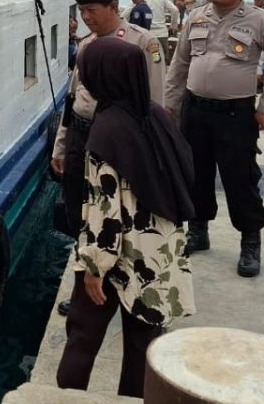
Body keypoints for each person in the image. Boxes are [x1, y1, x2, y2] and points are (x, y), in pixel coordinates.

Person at [55, 38, 196, 398]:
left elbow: (105, 212)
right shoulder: (157, 119)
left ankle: (67, 398)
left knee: (83, 337)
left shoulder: (106, 130)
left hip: (116, 253)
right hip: (158, 253)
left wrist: (94, 268)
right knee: (142, 345)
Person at [164, 0, 264, 277]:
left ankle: (250, 243)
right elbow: (179, 63)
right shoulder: (196, 16)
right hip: (195, 110)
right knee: (195, 173)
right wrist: (169, 103)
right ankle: (198, 231)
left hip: (235, 114)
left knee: (241, 179)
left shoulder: (260, 21)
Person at [52, 0, 166, 244]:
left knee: (111, 209)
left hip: (117, 143)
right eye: (81, 11)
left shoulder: (143, 43)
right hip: (79, 136)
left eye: (92, 10)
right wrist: (60, 147)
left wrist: (150, 154)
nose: (86, 17)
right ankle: (83, 255)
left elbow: (154, 102)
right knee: (75, 203)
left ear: (113, 6)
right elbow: (73, 98)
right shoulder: (86, 44)